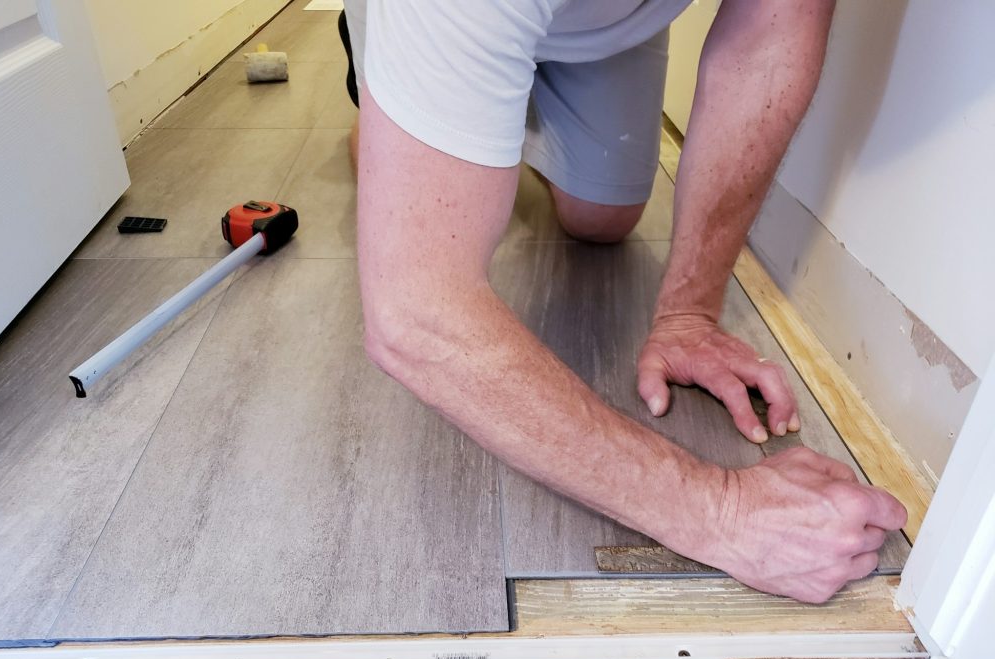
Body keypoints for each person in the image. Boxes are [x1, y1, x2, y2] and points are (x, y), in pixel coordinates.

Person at [338, 0, 906, 603]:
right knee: (418, 171)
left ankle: (499, 91)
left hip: (600, 22)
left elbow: (772, 33)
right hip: (455, 16)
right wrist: (722, 513)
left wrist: (689, 316)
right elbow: (419, 314)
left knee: (601, 221)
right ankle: (384, 105)